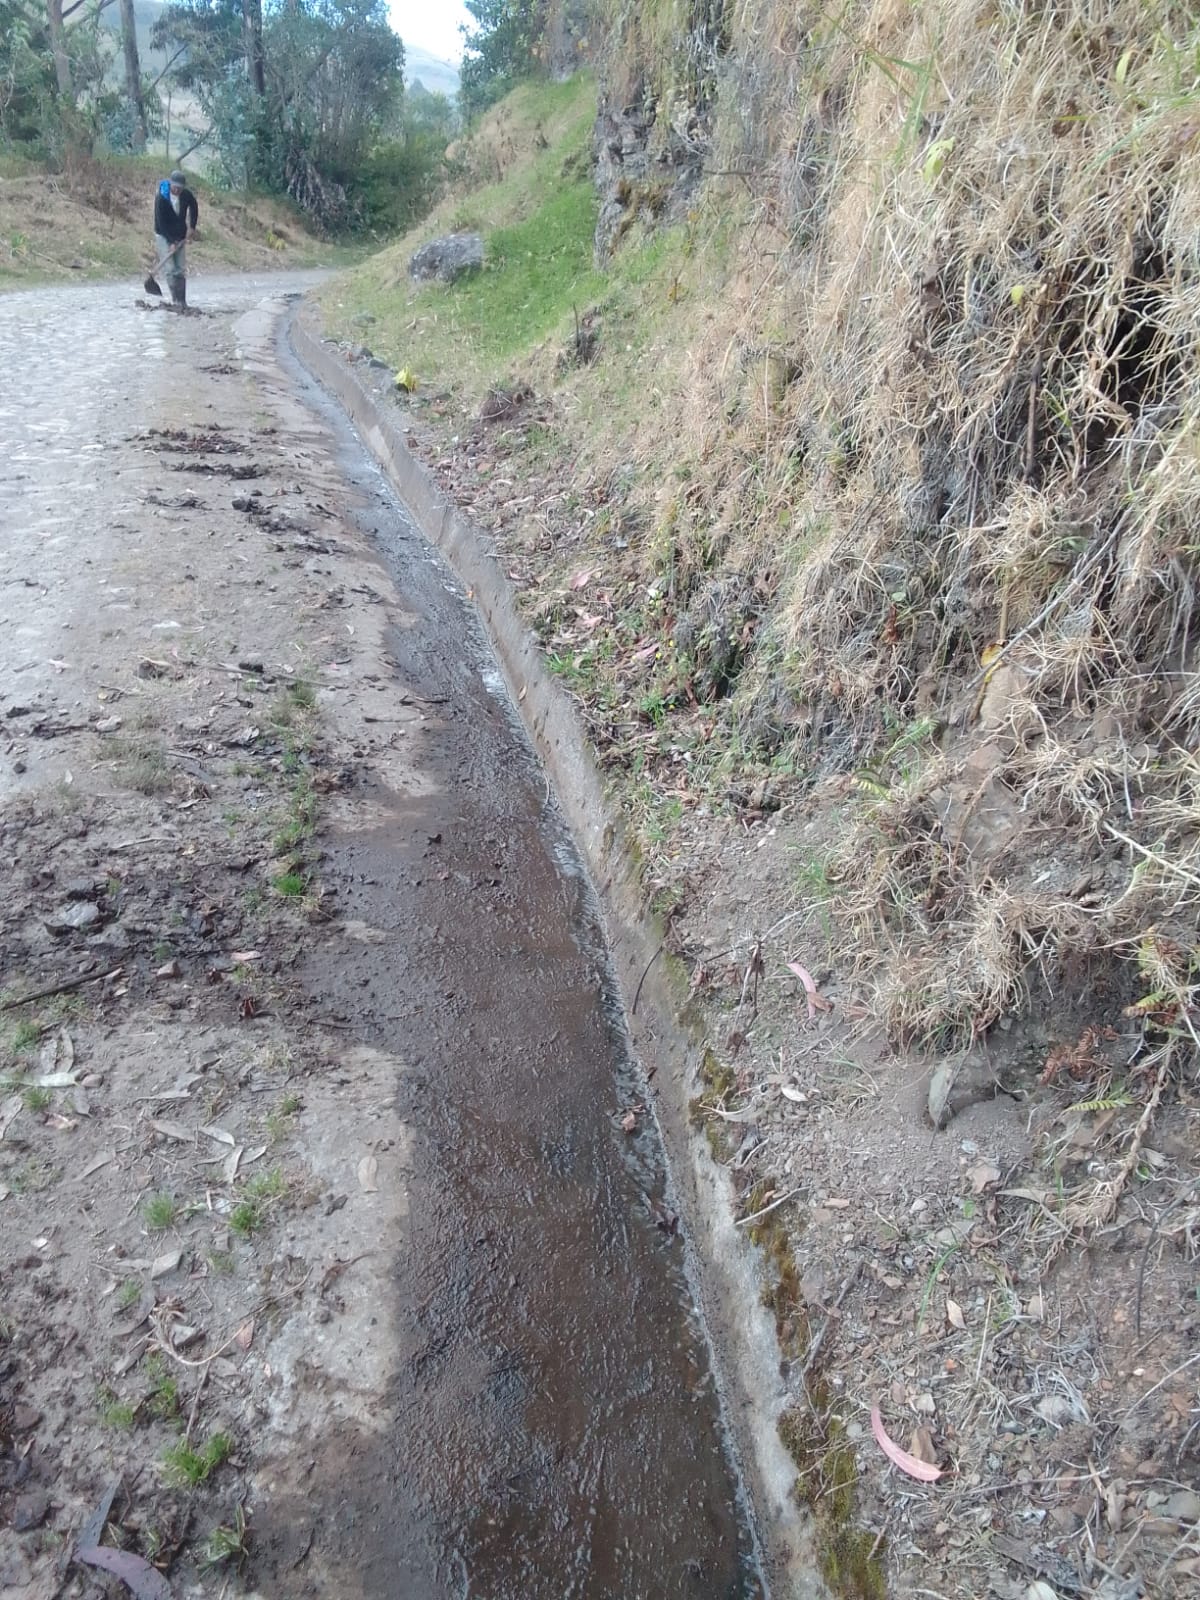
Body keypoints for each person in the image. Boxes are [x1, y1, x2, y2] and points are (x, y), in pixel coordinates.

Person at [153, 168, 199, 309]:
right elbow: (161, 223)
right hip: (163, 235)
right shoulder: (162, 198)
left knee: (180, 268)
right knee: (170, 268)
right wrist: (171, 242)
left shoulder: (185, 194)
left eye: (180, 188)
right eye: (175, 187)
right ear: (170, 184)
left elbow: (194, 206)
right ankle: (175, 300)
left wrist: (192, 226)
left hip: (180, 235)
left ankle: (182, 301)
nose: (177, 190)